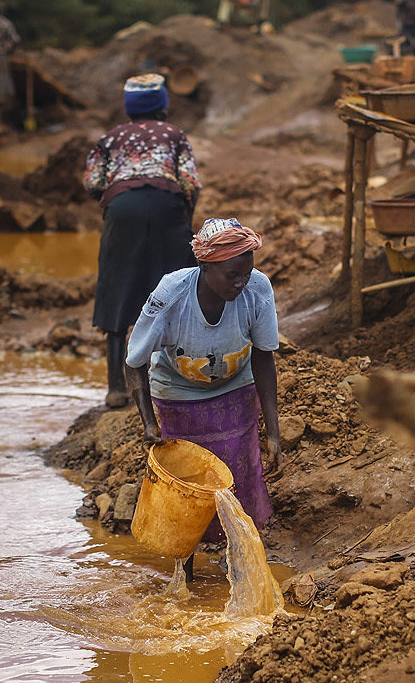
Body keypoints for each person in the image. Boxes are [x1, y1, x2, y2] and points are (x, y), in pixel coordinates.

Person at [125, 217, 281, 581]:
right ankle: (186, 575)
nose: (241, 283)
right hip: (177, 392)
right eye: (231, 276)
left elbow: (263, 356)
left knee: (239, 482)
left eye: (246, 272)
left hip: (234, 388)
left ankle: (239, 565)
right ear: (205, 266)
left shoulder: (257, 290)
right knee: (188, 489)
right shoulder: (170, 294)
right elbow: (134, 363)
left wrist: (272, 432)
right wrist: (149, 423)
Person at [84, 74, 201, 408]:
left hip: (122, 210)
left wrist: (115, 208)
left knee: (117, 289)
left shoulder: (110, 138)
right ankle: (181, 378)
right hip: (167, 207)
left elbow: (93, 182)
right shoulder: (174, 134)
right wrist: (183, 219)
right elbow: (191, 182)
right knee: (178, 287)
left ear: (129, 106)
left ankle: (116, 388)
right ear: (163, 103)